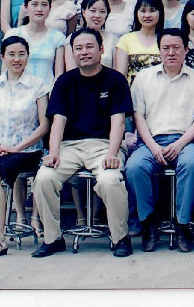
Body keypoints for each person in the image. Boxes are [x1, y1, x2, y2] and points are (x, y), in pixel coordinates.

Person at [31, 28, 134, 258]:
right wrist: (53, 152)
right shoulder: (65, 82)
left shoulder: (116, 80)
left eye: (89, 47)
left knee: (110, 180)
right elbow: (58, 121)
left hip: (104, 145)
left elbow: (118, 122)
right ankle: (53, 238)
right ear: (72, 53)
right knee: (44, 178)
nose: (84, 52)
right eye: (78, 48)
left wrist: (112, 153)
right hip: (70, 147)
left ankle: (120, 237)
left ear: (101, 49)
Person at [125, 28, 194, 253]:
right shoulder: (144, 78)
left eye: (176, 47)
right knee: (134, 167)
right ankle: (148, 223)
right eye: (166, 48)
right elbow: (138, 116)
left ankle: (182, 224)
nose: (171, 52)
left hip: (186, 141)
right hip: (151, 140)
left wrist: (179, 145)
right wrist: (152, 146)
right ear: (159, 50)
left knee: (191, 164)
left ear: (186, 50)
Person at [0, 36, 49, 259]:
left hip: (27, 150)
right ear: (2, 57)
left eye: (21, 54)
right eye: (11, 54)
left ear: (28, 56)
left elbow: (44, 125)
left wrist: (17, 147)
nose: (17, 59)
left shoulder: (38, 85)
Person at [5, 0, 66, 91]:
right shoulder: (13, 34)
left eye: (44, 5)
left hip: (46, 92)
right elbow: (5, 69)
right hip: (18, 92)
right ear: (26, 7)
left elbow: (59, 74)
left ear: (50, 8)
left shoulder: (57, 37)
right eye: (34, 4)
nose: (39, 9)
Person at [114, 0, 163, 86]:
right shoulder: (125, 40)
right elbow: (121, 77)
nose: (147, 15)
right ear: (136, 13)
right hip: (132, 92)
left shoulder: (165, 40)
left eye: (152, 10)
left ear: (160, 13)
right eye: (143, 11)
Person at [64, 0, 118, 69]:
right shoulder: (72, 38)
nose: (97, 15)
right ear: (83, 12)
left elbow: (116, 72)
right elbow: (71, 71)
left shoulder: (113, 40)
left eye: (102, 11)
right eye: (93, 10)